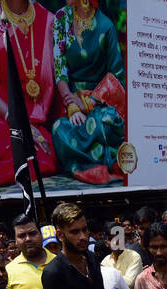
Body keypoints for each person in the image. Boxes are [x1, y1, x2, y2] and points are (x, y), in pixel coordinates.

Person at [0, 0, 62, 188]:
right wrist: (19, 123)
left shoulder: (48, 20)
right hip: (3, 117)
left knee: (40, 157)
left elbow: (55, 91)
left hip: (37, 124)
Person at [50, 0, 126, 184]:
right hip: (71, 103)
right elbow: (59, 69)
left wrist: (90, 102)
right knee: (59, 129)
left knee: (106, 123)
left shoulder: (105, 25)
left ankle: (87, 158)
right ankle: (100, 156)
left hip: (100, 103)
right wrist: (72, 105)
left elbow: (116, 77)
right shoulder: (61, 18)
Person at [100, 221, 142, 289]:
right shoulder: (105, 261)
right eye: (111, 239)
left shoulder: (134, 256)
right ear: (106, 243)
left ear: (124, 239)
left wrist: (108, 275)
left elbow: (128, 283)